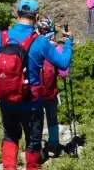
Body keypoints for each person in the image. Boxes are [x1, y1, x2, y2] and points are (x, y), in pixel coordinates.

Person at [0, 0, 73, 170]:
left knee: (10, 136)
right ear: (36, 16)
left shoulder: (2, 37)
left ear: (17, 15)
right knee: (33, 141)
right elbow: (63, 63)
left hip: (7, 102)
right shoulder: (41, 42)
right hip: (31, 103)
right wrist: (68, 43)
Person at [36, 15, 68, 158]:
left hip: (34, 92)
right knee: (52, 118)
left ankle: (34, 148)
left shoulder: (32, 45)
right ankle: (53, 146)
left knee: (34, 120)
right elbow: (64, 73)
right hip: (50, 92)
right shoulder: (56, 48)